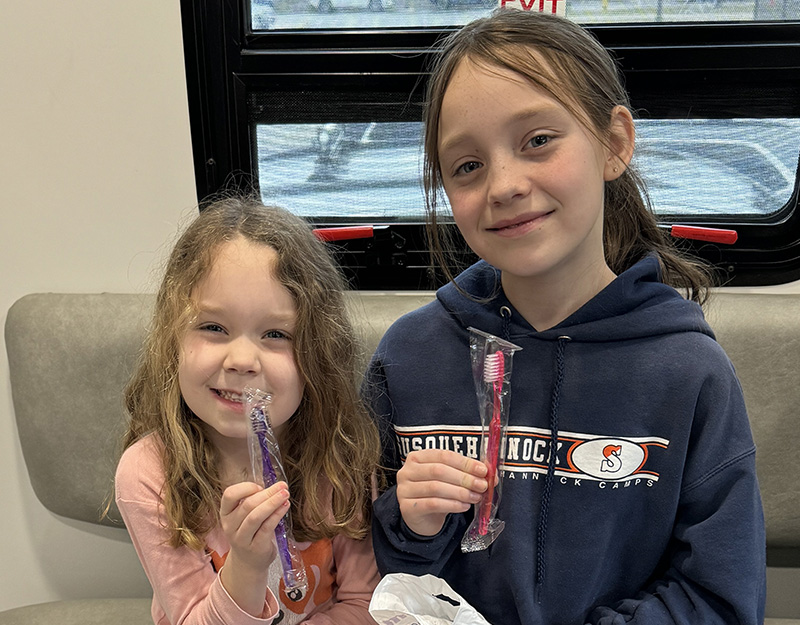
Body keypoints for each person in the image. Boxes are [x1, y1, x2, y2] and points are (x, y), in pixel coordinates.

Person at [366, 10, 765, 625]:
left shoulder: (688, 373)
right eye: (467, 166)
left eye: (538, 141)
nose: (503, 184)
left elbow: (720, 596)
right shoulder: (408, 358)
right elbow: (362, 568)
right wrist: (407, 524)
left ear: (614, 144)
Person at [115, 197, 381, 625]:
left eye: (276, 333)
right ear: (171, 341)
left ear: (319, 356)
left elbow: (366, 603)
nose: (241, 359)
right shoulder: (148, 472)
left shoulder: (342, 459)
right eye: (213, 327)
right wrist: (246, 566)